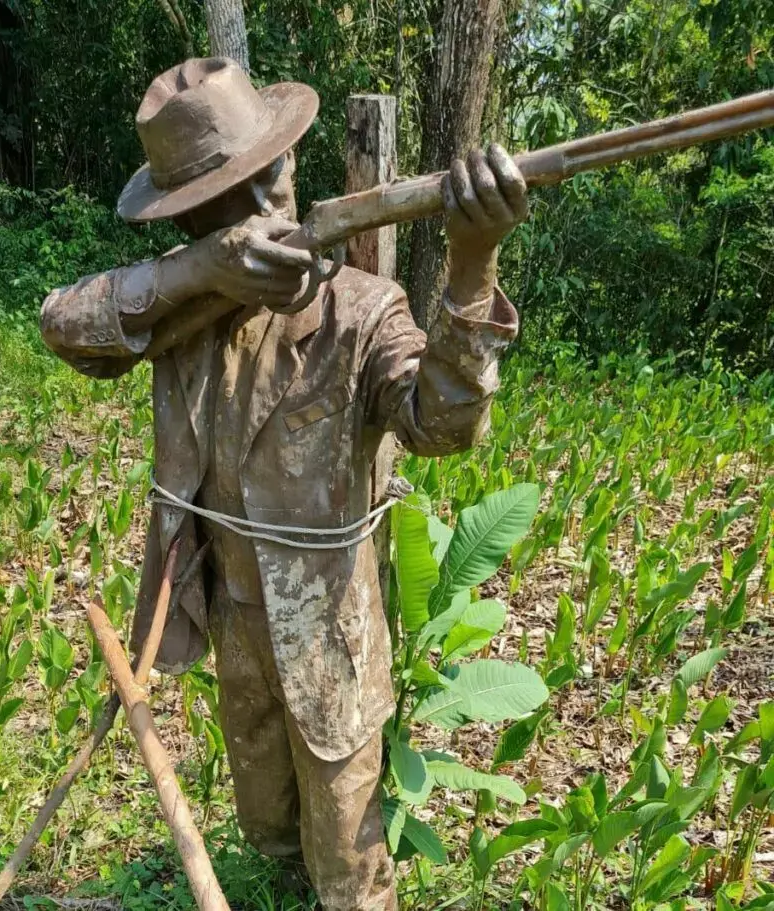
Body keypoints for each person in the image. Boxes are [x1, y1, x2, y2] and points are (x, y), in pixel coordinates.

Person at [41, 57, 527, 911]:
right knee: (267, 830)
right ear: (191, 218)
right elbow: (64, 322)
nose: (267, 206)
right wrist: (199, 272)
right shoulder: (181, 310)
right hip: (234, 627)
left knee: (346, 861)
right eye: (229, 198)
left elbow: (444, 425)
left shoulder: (359, 312)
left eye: (273, 174)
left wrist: (472, 263)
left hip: (328, 639)